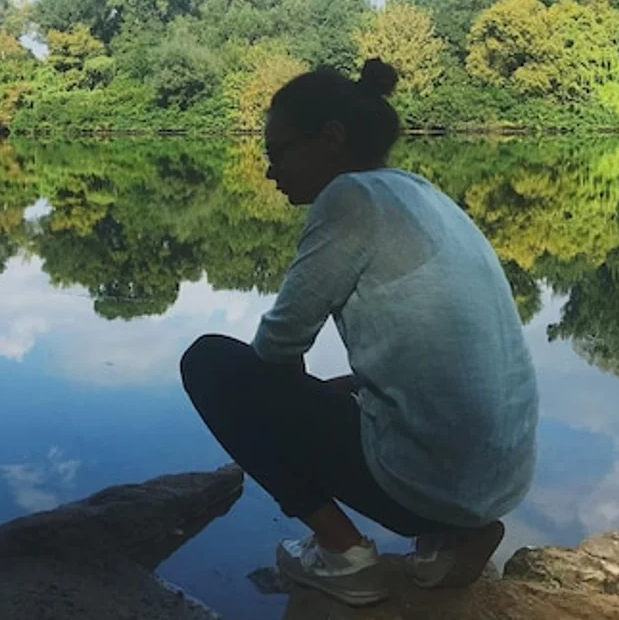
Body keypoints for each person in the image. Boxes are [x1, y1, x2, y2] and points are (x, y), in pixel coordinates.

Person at [180, 58, 539, 607]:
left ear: (330, 139)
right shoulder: (419, 192)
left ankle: (343, 554)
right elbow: (438, 356)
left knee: (210, 364)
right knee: (328, 392)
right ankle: (454, 535)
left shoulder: (349, 199)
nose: (271, 171)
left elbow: (277, 350)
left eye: (277, 153)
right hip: (496, 477)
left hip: (427, 482)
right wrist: (333, 393)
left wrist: (292, 411)